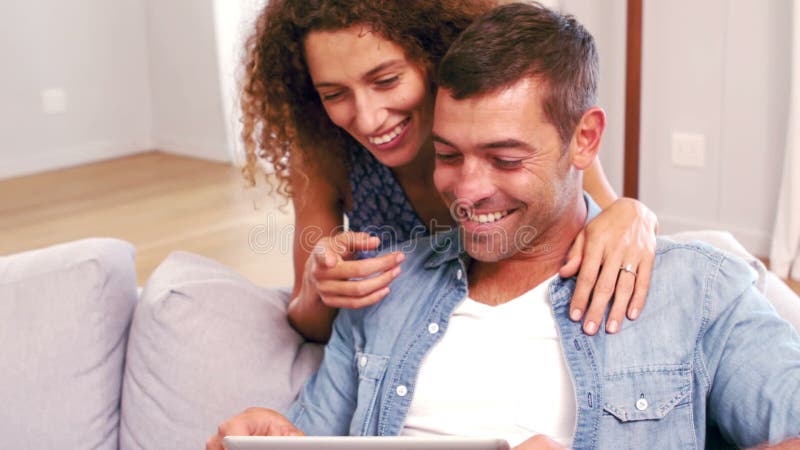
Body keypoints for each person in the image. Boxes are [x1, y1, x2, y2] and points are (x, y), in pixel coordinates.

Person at [209, 3, 800, 448]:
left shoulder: (696, 292)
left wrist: (633, 214)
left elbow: (599, 204)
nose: (467, 190)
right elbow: (311, 422)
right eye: (447, 155)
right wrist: (275, 435)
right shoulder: (382, 289)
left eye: (505, 158)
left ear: (584, 140)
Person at [240, 0, 660, 343]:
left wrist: (635, 213)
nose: (367, 119)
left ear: (433, 55)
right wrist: (319, 287)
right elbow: (307, 321)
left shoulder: (527, 131)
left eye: (386, 81)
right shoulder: (325, 152)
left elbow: (606, 217)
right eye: (334, 94)